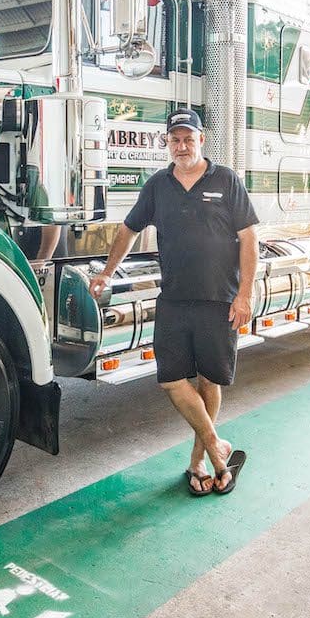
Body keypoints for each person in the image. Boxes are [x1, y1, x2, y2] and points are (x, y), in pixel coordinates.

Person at [89, 109, 259, 497]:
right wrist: (108, 271)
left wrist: (244, 294)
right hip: (175, 299)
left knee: (210, 379)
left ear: (202, 140)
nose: (182, 146)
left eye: (189, 138)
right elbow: (128, 230)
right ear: (168, 142)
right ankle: (219, 446)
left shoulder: (226, 180)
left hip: (220, 299)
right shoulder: (158, 185)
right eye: (175, 139)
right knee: (170, 379)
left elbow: (249, 238)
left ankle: (200, 462)